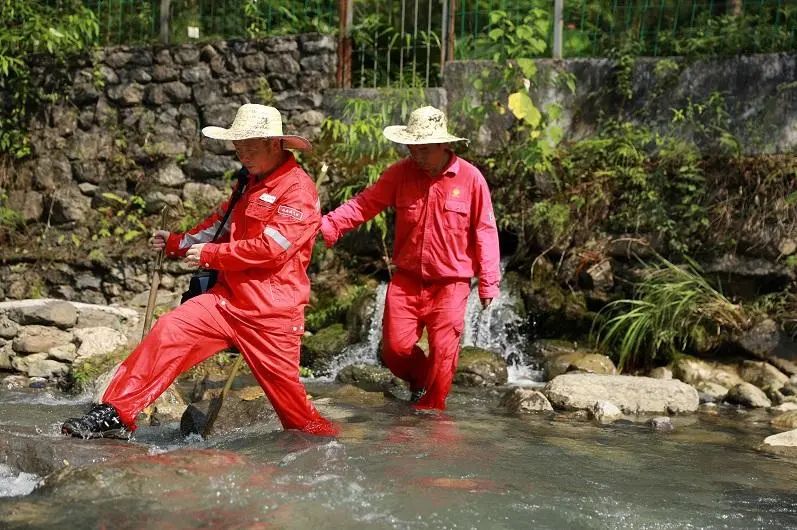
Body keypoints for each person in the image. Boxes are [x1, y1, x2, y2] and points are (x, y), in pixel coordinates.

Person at [62, 104, 338, 439]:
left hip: (271, 314)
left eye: (250, 148)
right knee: (169, 329)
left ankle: (327, 446)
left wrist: (210, 255)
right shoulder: (249, 182)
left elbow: (271, 250)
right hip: (225, 302)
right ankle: (115, 415)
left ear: (274, 144)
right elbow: (219, 224)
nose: (243, 156)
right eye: (238, 148)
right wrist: (176, 243)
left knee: (297, 416)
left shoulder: (298, 191)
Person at [320, 106, 500, 410]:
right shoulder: (400, 173)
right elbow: (365, 204)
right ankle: (420, 382)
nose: (417, 155)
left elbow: (485, 230)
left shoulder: (471, 179)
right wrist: (328, 224)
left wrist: (488, 282)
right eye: (412, 148)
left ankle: (432, 419)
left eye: (424, 149)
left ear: (444, 145)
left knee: (444, 355)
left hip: (451, 285)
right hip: (406, 281)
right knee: (394, 351)